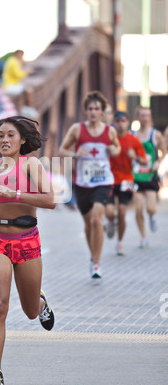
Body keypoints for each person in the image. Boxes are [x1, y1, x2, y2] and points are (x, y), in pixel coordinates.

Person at [0, 116, 55, 385]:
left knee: (29, 312)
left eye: (10, 135)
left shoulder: (31, 165)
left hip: (27, 240)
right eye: (0, 136)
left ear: (22, 140)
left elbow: (50, 200)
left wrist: (14, 193)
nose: (4, 140)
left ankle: (40, 304)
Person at [59, 91, 121, 279]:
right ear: (86, 111)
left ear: (102, 112)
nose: (93, 112)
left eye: (97, 109)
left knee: (96, 219)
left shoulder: (109, 131)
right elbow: (62, 149)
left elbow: (117, 148)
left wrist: (113, 149)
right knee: (88, 223)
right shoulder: (77, 129)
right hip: (82, 182)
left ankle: (96, 262)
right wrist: (75, 155)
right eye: (90, 109)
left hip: (103, 181)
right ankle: (93, 256)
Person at [105, 112, 147, 255]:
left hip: (126, 180)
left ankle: (119, 243)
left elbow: (144, 160)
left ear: (127, 122)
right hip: (110, 180)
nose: (121, 123)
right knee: (110, 212)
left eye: (123, 120)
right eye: (118, 121)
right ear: (114, 123)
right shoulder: (109, 138)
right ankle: (110, 221)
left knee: (122, 212)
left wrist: (135, 157)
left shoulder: (133, 140)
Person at [132, 106, 166, 248]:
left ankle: (152, 216)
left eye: (147, 115)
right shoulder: (132, 135)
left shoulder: (155, 135)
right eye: (142, 115)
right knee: (138, 208)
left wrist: (158, 162)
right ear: (138, 117)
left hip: (150, 175)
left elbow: (164, 151)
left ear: (150, 117)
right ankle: (143, 237)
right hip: (135, 176)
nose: (145, 118)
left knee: (150, 208)